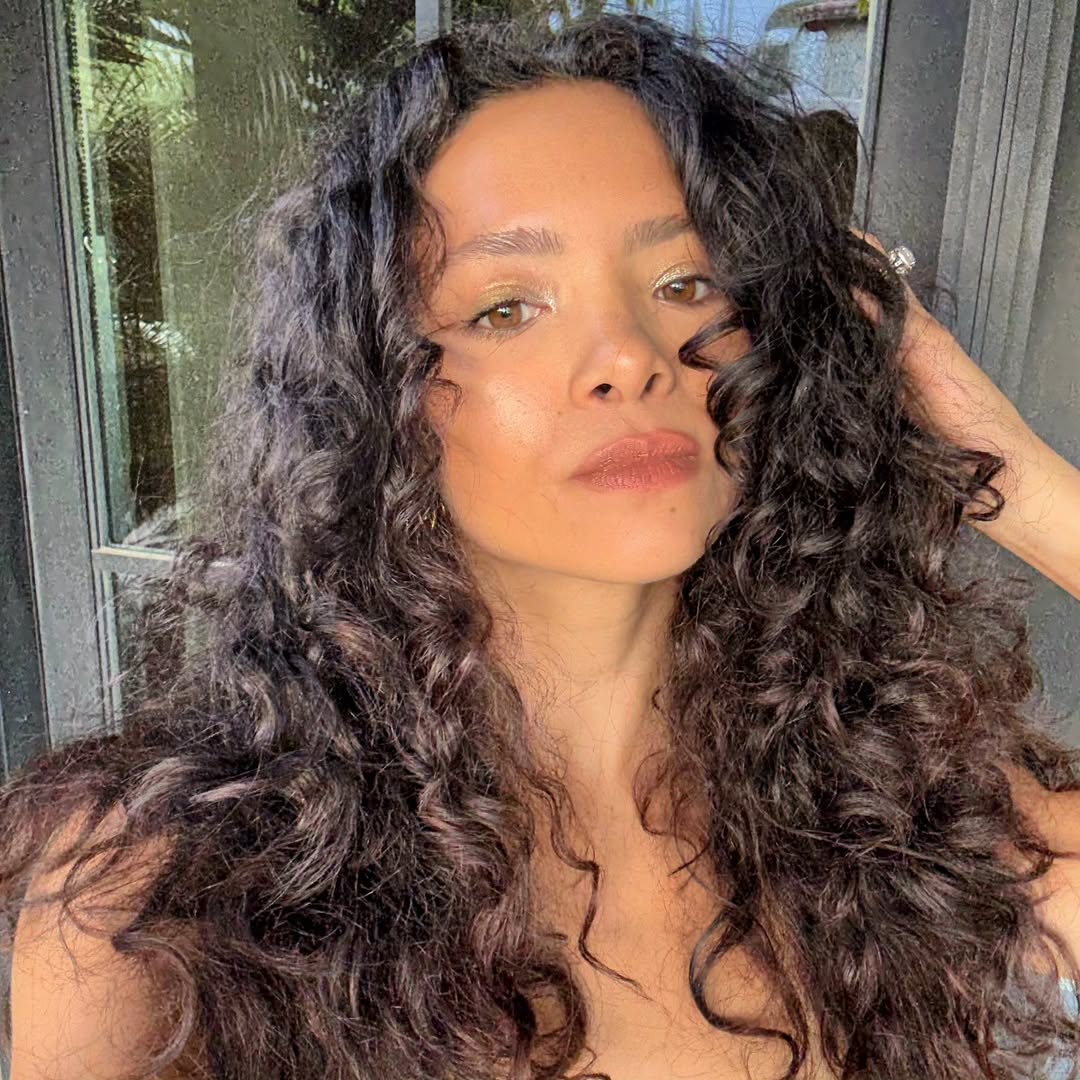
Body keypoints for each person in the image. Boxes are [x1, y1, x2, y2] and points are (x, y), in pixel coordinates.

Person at [4, 12, 1080, 1080]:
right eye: (508, 308)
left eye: (687, 286)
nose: (628, 354)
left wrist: (1013, 476)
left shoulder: (894, 800)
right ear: (371, 402)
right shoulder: (153, 896)